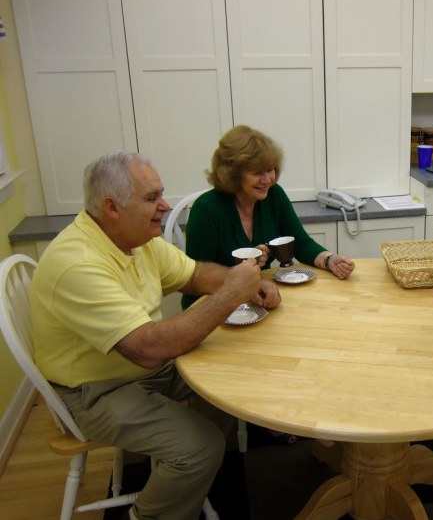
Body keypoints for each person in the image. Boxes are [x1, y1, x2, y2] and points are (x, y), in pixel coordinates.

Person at [30, 151, 281, 520]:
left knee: (232, 375)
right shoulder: (78, 264)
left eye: (160, 195)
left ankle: (187, 477)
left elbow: (195, 275)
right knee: (200, 448)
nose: (164, 206)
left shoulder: (135, 238)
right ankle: (153, 507)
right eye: (151, 198)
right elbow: (149, 349)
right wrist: (231, 293)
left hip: (138, 368)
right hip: (94, 389)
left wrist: (246, 285)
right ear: (112, 207)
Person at [182, 125, 355, 309]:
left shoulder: (274, 195)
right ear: (233, 173)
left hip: (257, 300)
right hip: (209, 307)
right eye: (257, 173)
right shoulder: (206, 209)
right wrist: (245, 272)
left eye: (270, 169)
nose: (267, 180)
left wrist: (329, 259)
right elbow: (196, 278)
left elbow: (300, 243)